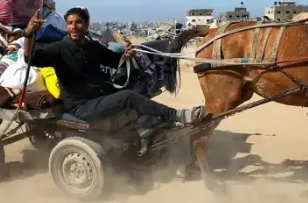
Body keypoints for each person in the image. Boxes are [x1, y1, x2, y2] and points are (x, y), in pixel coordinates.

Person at [23, 7, 204, 128]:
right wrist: (29, 33)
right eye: (69, 23)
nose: (74, 27)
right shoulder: (59, 49)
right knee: (127, 96)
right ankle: (176, 115)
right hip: (81, 106)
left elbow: (112, 59)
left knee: (137, 76)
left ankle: (143, 121)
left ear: (86, 25)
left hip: (101, 95)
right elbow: (30, 58)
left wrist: (126, 54)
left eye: (78, 22)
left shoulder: (92, 46)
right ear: (65, 26)